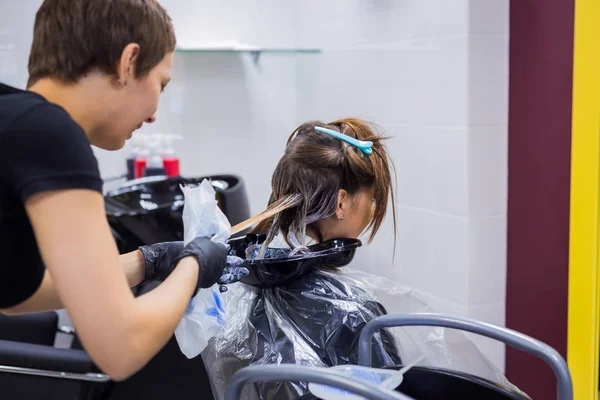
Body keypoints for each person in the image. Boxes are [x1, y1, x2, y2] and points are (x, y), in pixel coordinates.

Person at [0, 0, 229, 381]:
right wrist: (195, 267)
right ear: (128, 62)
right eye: (161, 83)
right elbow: (121, 348)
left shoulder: (15, 122)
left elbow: (17, 291)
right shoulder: (50, 135)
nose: (155, 113)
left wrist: (149, 261)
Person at [203, 118, 402, 399]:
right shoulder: (354, 312)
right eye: (371, 200)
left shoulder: (244, 288)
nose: (371, 211)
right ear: (341, 203)